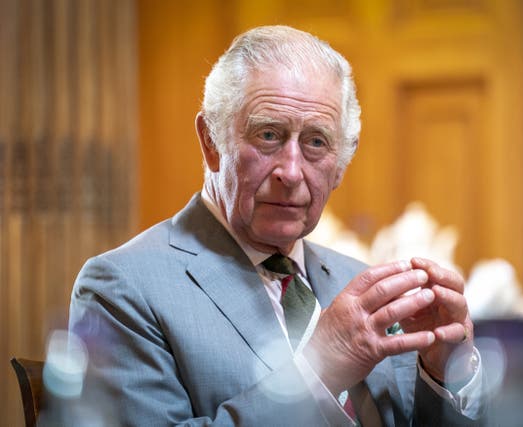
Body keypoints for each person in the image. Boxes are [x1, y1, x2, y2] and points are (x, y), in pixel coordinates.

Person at [69, 25, 485, 426]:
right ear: (211, 142)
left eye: (316, 142)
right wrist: (317, 371)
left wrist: (446, 373)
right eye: (268, 135)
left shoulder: (360, 284)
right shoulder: (122, 288)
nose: (291, 170)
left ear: (341, 165)